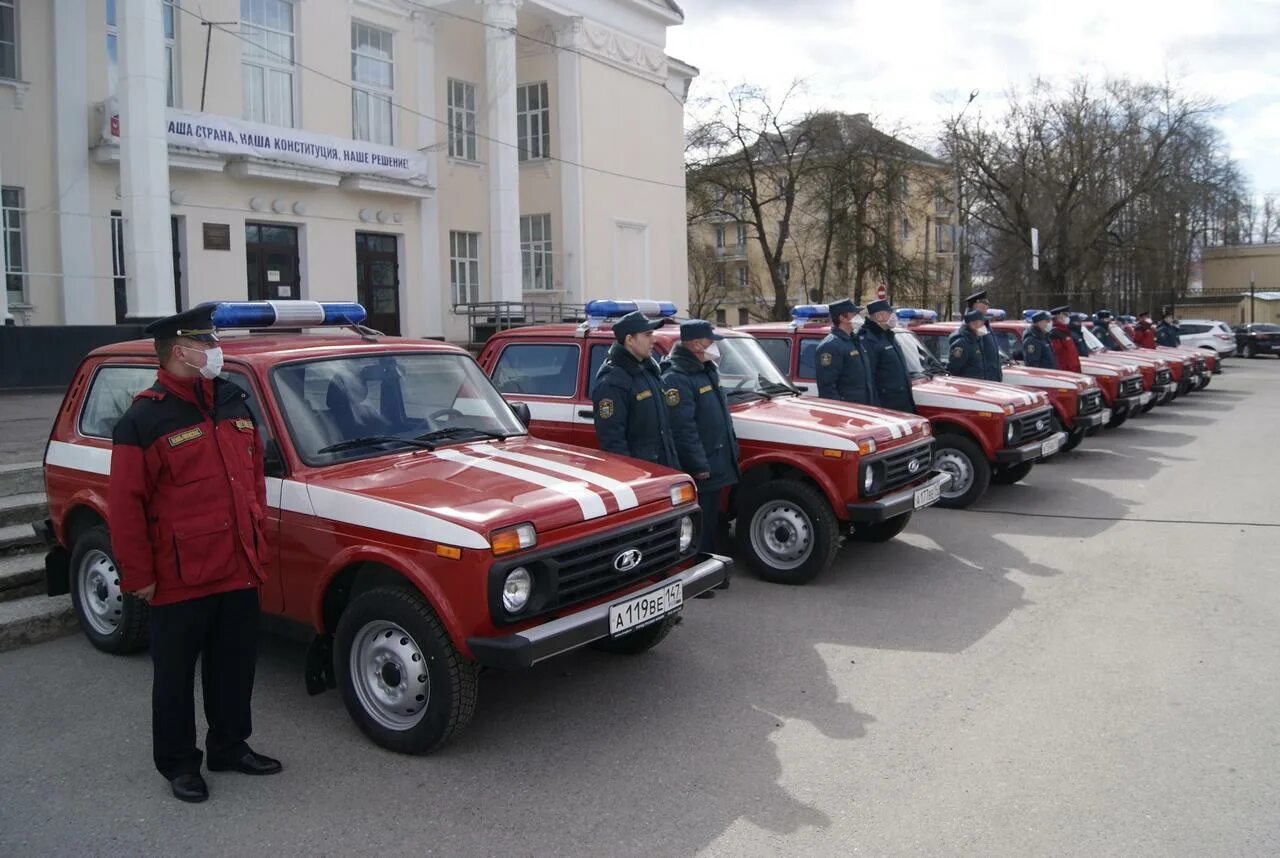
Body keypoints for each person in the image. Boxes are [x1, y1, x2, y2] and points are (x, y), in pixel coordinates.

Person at [108, 304, 280, 804]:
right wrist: (137, 575)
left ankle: (230, 745)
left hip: (237, 566)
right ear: (178, 351)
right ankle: (180, 764)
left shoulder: (232, 400)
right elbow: (126, 507)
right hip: (178, 576)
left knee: (235, 666)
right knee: (175, 678)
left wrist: (257, 544)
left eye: (212, 341)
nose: (213, 351)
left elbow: (252, 482)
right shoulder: (144, 418)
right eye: (204, 343)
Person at [661, 320, 740, 555]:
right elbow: (683, 428)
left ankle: (713, 565)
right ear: (696, 344)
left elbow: (721, 417)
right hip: (702, 466)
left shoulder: (706, 370)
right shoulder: (676, 378)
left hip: (716, 459)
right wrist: (698, 465)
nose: (714, 347)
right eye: (710, 342)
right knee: (698, 524)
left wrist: (732, 448)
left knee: (713, 520)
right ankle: (699, 568)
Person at [593, 310, 679, 469]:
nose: (653, 340)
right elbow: (613, 443)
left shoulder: (648, 371)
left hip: (662, 468)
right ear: (630, 340)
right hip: (642, 475)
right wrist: (633, 480)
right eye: (647, 335)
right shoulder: (612, 383)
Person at [860, 298, 917, 413]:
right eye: (890, 313)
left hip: (901, 402)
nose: (894, 317)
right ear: (879, 316)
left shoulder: (888, 335)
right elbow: (870, 378)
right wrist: (877, 409)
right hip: (887, 405)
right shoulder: (869, 339)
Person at [814, 298, 874, 404]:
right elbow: (827, 389)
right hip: (848, 412)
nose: (858, 317)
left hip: (863, 409)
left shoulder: (854, 340)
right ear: (842, 318)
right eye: (854, 314)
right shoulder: (830, 346)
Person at [964, 289, 1003, 381]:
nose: (987, 307)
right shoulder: (974, 325)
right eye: (984, 304)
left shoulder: (984, 323)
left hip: (992, 377)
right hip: (983, 379)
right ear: (976, 306)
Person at [947, 309, 990, 380]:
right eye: (981, 323)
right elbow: (953, 369)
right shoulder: (962, 344)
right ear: (972, 324)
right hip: (967, 386)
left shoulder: (977, 340)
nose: (984, 326)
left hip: (978, 385)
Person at [1048, 306, 1082, 373]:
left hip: (1073, 368)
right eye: (1065, 315)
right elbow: (1057, 355)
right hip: (1065, 370)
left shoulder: (1065, 331)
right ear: (1059, 316)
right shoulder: (1055, 333)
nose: (1068, 318)